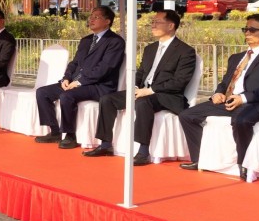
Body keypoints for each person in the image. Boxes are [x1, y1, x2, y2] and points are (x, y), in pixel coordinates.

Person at [179, 13, 259, 180]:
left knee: (241, 120)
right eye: (245, 29)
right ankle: (199, 159)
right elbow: (225, 83)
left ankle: (244, 163)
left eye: (252, 29)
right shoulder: (237, 58)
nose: (247, 32)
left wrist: (244, 98)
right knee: (187, 115)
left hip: (257, 103)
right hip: (230, 101)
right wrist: (218, 93)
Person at [84, 10, 196, 166]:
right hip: (143, 91)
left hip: (167, 96)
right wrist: (135, 86)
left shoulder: (185, 51)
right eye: (153, 22)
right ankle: (105, 144)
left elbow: (179, 82)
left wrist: (150, 90)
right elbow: (142, 72)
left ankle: (143, 151)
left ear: (171, 26)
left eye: (157, 22)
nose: (153, 25)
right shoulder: (150, 49)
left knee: (143, 103)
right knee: (108, 99)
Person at [35, 6, 125, 149]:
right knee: (42, 92)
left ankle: (70, 135)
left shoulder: (115, 42)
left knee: (67, 96)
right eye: (91, 16)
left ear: (107, 21)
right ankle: (55, 131)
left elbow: (105, 68)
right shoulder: (86, 40)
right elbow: (74, 63)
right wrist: (66, 78)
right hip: (75, 82)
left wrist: (80, 82)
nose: (91, 19)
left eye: (96, 17)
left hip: (99, 86)